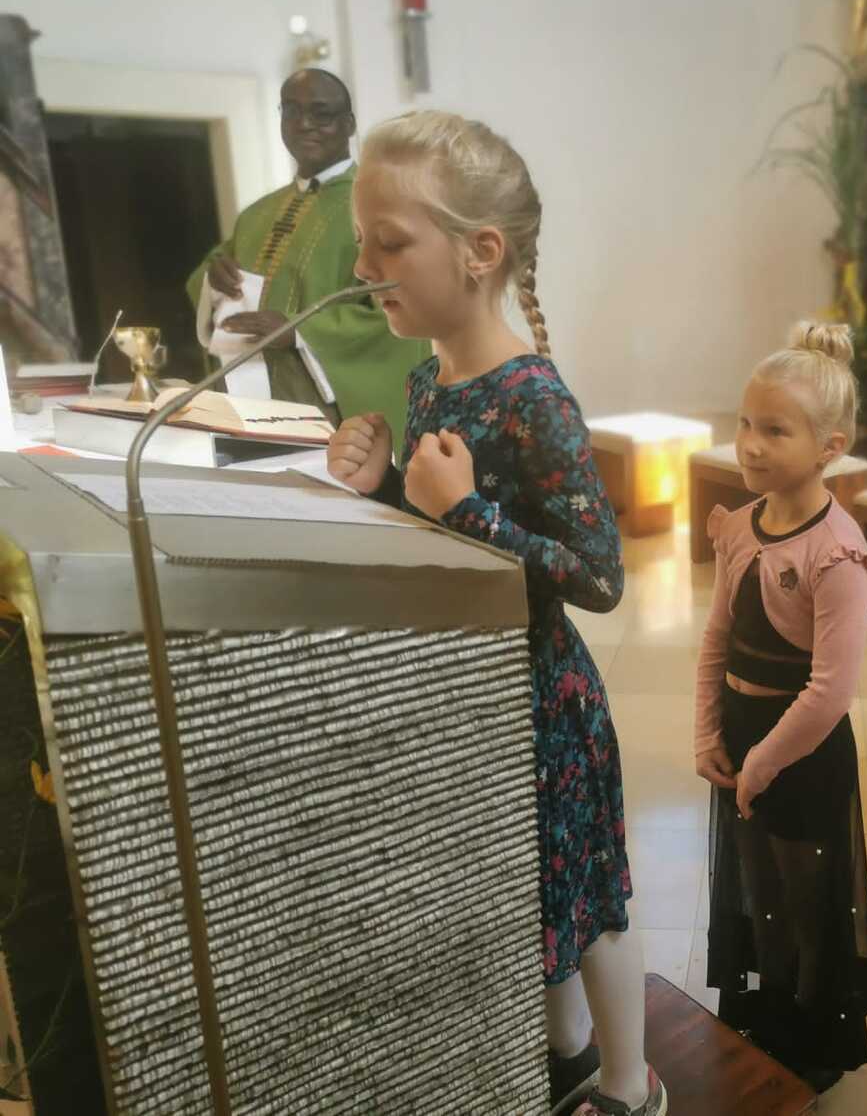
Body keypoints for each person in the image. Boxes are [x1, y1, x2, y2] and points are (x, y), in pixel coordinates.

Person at [324, 111, 662, 1116]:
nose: (365, 269)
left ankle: (632, 1083)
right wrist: (388, 486)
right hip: (475, 690)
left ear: (480, 252)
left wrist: (464, 508)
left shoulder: (532, 398)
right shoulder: (431, 378)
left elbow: (599, 576)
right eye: (363, 243)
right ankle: (563, 1049)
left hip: (545, 699)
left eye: (390, 243)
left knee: (588, 896)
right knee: (530, 881)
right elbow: (448, 541)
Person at [695, 322, 867, 1093]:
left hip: (801, 751)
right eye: (746, 423)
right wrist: (708, 732)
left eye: (775, 430)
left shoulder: (837, 551)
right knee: (759, 889)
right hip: (743, 737)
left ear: (829, 446)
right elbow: (716, 637)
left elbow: (830, 690)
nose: (750, 444)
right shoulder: (741, 526)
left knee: (805, 896)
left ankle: (811, 1034)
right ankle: (767, 1010)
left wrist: (764, 764)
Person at [186, 68, 426, 444]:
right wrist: (213, 280)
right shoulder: (257, 215)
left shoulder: (383, 205)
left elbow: (406, 306)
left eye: (321, 113)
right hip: (247, 397)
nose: (304, 124)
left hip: (328, 407)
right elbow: (209, 272)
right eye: (292, 111)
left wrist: (299, 332)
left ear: (349, 124)